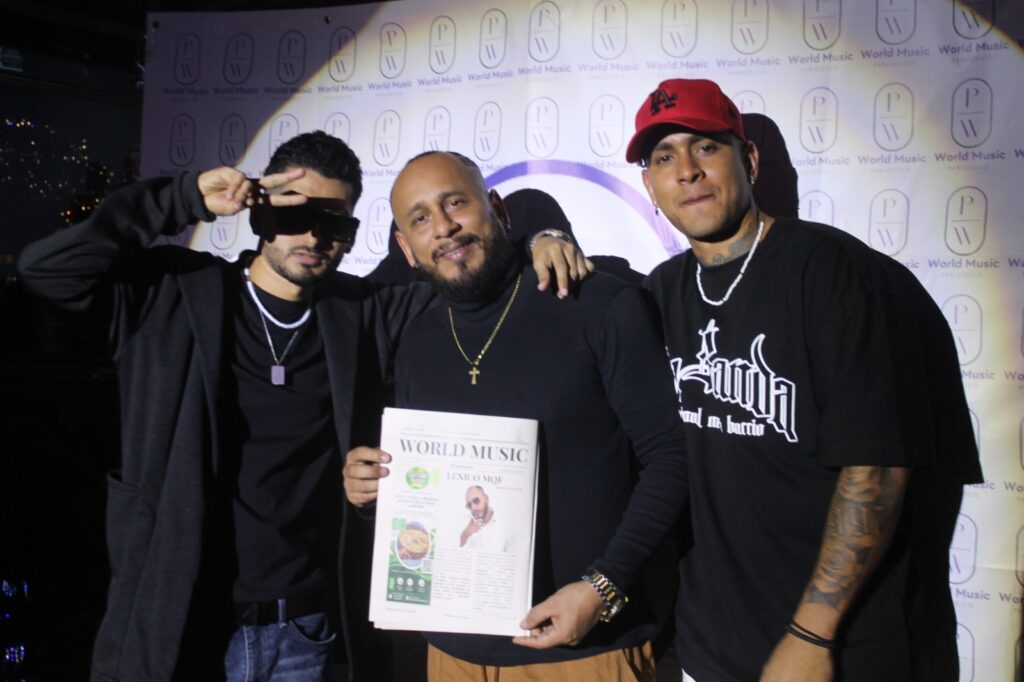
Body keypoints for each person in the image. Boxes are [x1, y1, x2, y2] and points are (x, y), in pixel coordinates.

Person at [16, 131, 590, 682]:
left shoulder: (361, 313)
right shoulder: (171, 296)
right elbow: (46, 270)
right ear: (260, 215)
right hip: (178, 624)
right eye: (295, 215)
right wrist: (184, 197)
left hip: (304, 632)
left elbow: (468, 269)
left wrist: (538, 239)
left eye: (334, 222)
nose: (313, 236)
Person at [626, 78, 983, 681]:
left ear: (749, 160)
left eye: (706, 146)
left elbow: (876, 468)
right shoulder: (661, 292)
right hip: (714, 650)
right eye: (664, 157)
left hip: (839, 653)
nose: (686, 170)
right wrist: (544, 243)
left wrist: (811, 635)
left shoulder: (839, 274)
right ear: (650, 187)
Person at [343, 150, 689, 681]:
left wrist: (603, 586)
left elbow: (672, 458)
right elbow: (428, 494)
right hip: (453, 655)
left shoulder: (598, 304)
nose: (444, 227)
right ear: (406, 249)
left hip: (584, 653)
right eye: (421, 218)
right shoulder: (417, 341)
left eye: (455, 203)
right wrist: (375, 493)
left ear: (498, 210)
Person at [460, 485, 509, 551]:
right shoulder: (465, 523)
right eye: (469, 505)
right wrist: (466, 534)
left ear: (486, 498)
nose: (473, 507)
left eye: (476, 501)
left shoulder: (504, 523)